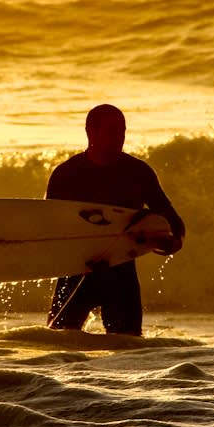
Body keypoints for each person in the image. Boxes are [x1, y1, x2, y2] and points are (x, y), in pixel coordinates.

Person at [45, 104, 186, 335]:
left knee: (128, 352)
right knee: (58, 350)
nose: (119, 137)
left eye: (122, 131)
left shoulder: (138, 172)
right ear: (91, 132)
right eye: (112, 131)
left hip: (121, 277)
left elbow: (174, 222)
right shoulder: (66, 174)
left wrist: (172, 243)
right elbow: (46, 231)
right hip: (75, 275)